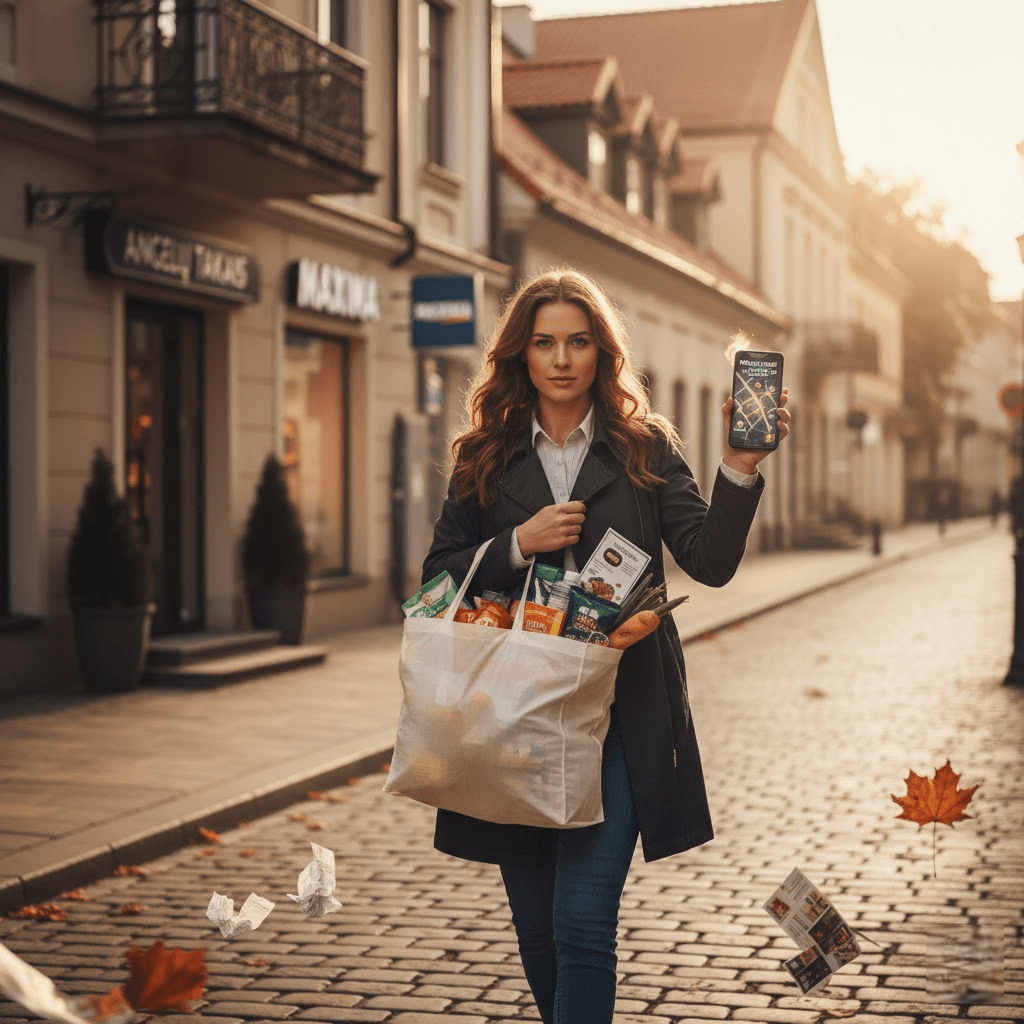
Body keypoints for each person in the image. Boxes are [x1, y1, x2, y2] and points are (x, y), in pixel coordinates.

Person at [420, 268, 791, 1024]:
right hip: (512, 718)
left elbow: (709, 562)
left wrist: (741, 468)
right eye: (544, 342)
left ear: (602, 353)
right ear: (520, 355)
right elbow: (432, 584)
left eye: (578, 341)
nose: (561, 358)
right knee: (538, 931)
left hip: (621, 714)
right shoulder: (483, 455)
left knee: (584, 923)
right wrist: (516, 544)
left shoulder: (644, 449)